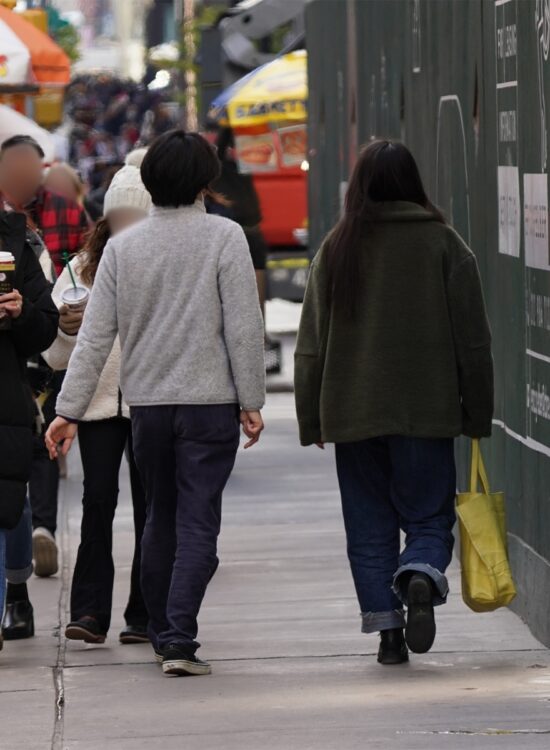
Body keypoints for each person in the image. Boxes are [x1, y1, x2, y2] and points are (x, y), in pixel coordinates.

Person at [46, 130, 266, 677]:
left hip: (146, 407)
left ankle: (166, 631)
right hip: (209, 403)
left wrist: (67, 410)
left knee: (159, 519)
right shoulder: (225, 237)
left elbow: (95, 337)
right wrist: (251, 398)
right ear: (204, 181)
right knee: (198, 523)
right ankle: (177, 637)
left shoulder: (122, 248)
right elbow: (243, 326)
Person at [294, 140, 494, 665]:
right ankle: (420, 573)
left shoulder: (336, 248)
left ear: (358, 186)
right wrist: (476, 411)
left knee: (367, 527)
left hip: (352, 413)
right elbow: (473, 340)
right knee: (428, 518)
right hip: (426, 413)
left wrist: (311, 416)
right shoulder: (445, 245)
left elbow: (311, 343)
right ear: (413, 183)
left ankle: (387, 633)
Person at [43, 166, 152, 646]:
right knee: (97, 502)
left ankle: (145, 612)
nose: (127, 223)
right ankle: (89, 611)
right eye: (119, 215)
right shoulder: (80, 267)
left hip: (152, 400)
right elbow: (54, 353)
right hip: (98, 405)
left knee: (152, 506)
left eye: (136, 214)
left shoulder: (162, 261)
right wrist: (67, 327)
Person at [0, 135, 88, 580]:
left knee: (33, 456)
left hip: (27, 373)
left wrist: (22, 312)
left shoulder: (21, 237)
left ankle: (36, 540)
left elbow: (47, 316)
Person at [0, 209, 59, 652]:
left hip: (7, 396)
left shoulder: (18, 241)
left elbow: (45, 326)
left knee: (7, 502)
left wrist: (20, 313)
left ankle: (16, 593)